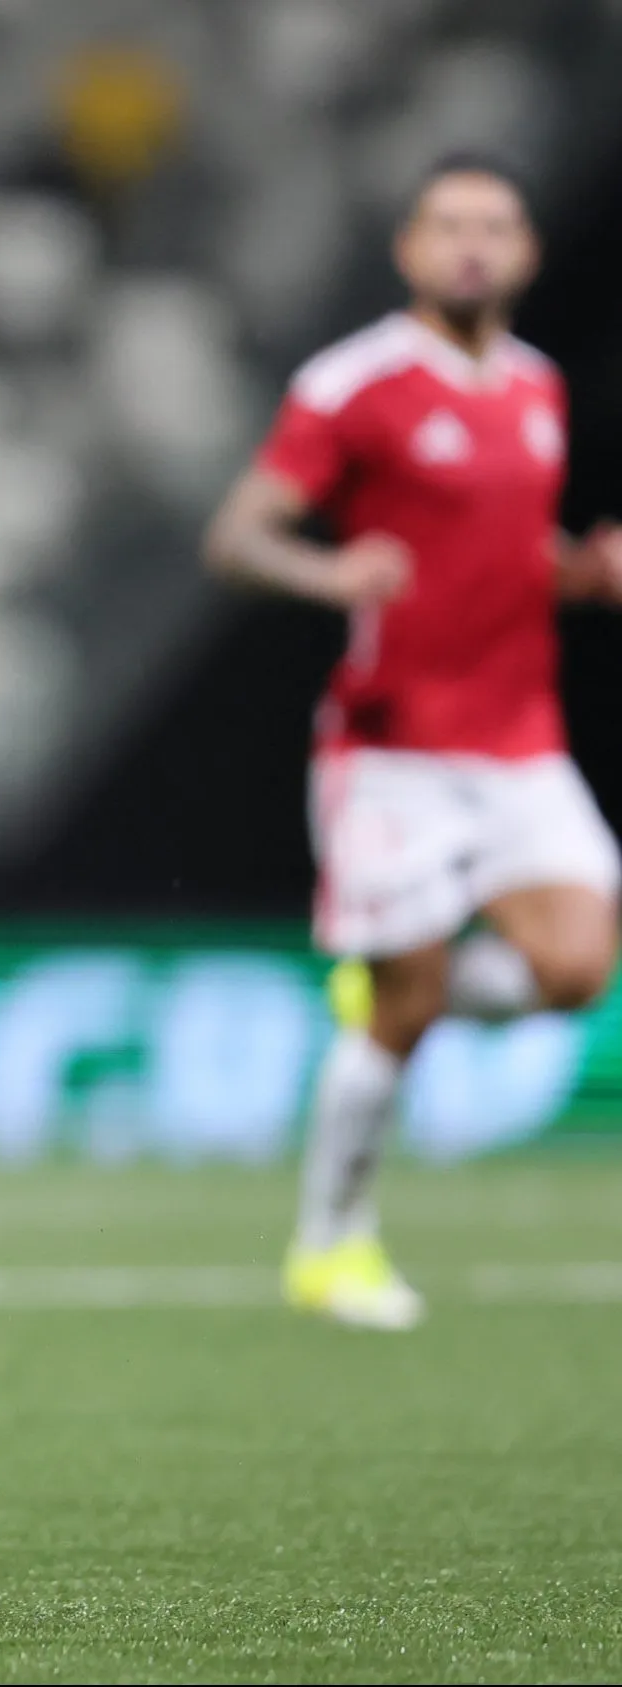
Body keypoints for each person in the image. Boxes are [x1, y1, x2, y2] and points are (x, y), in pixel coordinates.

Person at [203, 151, 622, 1331]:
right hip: (391, 747)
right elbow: (236, 536)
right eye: (449, 225)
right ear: (410, 250)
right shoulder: (354, 384)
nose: (473, 244)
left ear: (530, 251)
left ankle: (392, 986)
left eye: (496, 224)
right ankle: (331, 1248)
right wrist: (329, 567)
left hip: (520, 737)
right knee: (411, 993)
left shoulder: (538, 386)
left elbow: (492, 551)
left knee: (578, 966)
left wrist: (577, 573)